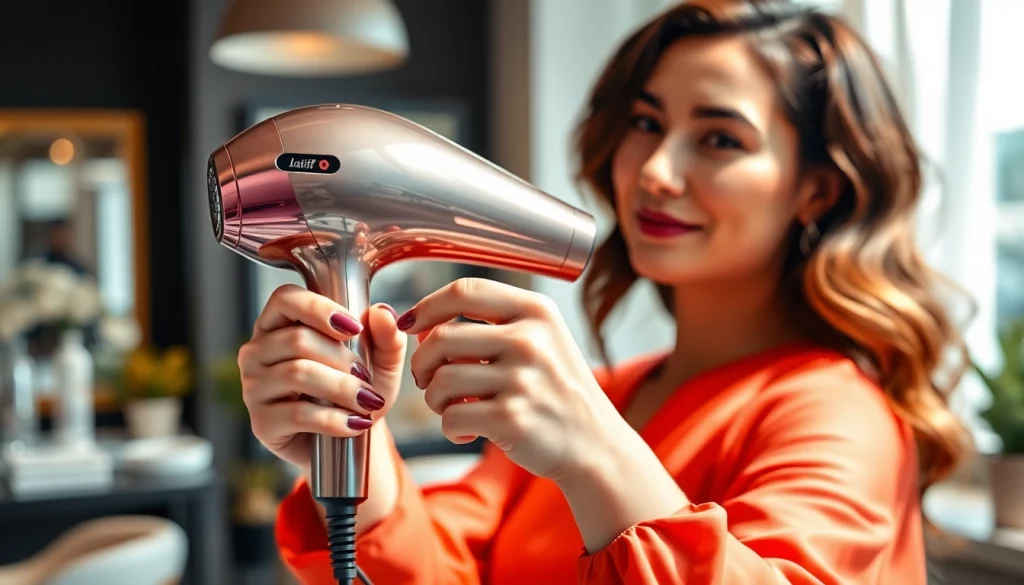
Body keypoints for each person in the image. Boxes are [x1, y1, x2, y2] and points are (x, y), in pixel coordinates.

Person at [237, 0, 974, 583]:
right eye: (646, 123)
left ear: (816, 189)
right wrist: (351, 458)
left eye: (719, 138)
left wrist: (595, 455)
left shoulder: (835, 411)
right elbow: (448, 568)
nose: (654, 170)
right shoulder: (604, 392)